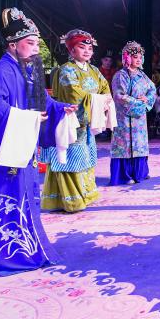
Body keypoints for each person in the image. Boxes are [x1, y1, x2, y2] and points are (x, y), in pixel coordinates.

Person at [0, 8, 76, 274]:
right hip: (0, 150)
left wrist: (60, 109)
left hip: (22, 147)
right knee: (3, 199)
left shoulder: (29, 71)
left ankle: (25, 247)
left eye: (36, 43)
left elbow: (43, 102)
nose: (36, 48)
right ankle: (1, 253)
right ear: (13, 44)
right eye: (31, 43)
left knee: (24, 196)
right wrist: (27, 118)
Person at [41, 29, 111, 213]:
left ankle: (86, 195)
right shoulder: (66, 70)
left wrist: (103, 99)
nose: (87, 51)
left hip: (87, 122)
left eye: (90, 48)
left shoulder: (94, 70)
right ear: (71, 50)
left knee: (86, 157)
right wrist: (98, 100)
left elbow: (105, 87)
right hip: (70, 120)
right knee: (69, 158)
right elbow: (75, 94)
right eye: (82, 47)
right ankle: (70, 200)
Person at [109, 41, 157, 185]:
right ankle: (124, 175)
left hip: (140, 118)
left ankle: (140, 172)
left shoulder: (143, 75)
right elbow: (119, 96)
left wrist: (146, 100)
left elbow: (152, 90)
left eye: (140, 57)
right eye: (135, 57)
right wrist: (139, 103)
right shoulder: (120, 75)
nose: (139, 60)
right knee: (124, 145)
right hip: (124, 117)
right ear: (127, 58)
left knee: (140, 144)